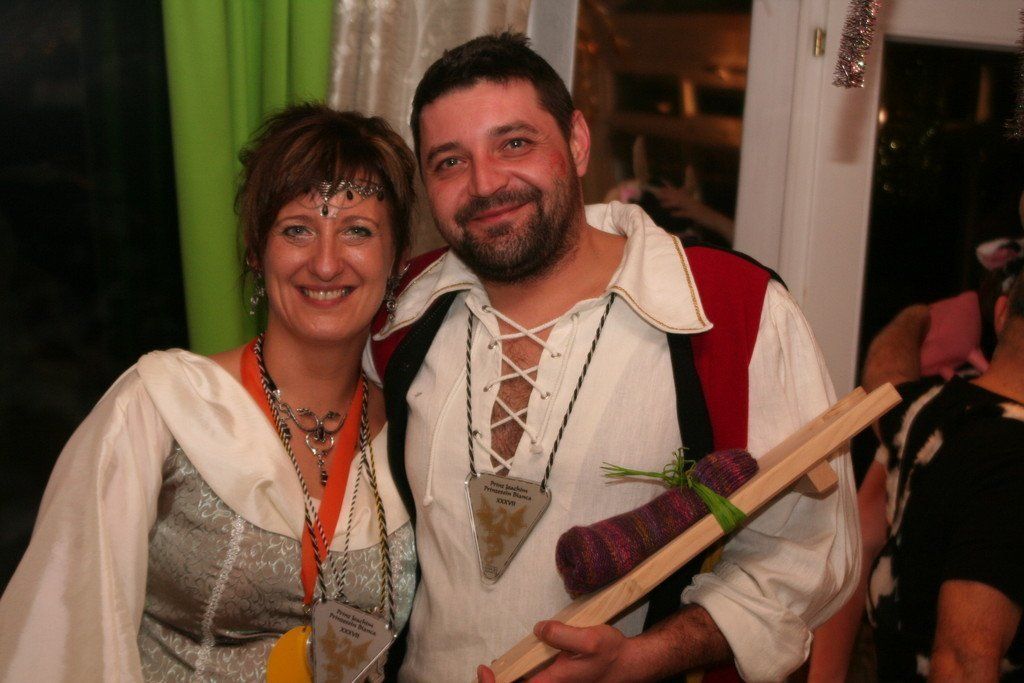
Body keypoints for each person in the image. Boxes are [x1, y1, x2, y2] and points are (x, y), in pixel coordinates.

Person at [368, 32, 859, 682]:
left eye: (514, 144)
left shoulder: (735, 311)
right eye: (450, 161)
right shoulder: (399, 314)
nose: (485, 184)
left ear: (576, 141)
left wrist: (636, 659)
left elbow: (805, 557)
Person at [0, 103, 418, 681]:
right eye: (297, 230)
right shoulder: (163, 406)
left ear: (395, 260)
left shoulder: (415, 433)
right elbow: (69, 627)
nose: (326, 263)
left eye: (357, 232)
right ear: (256, 251)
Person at [809, 273, 1024, 682]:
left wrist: (918, 317)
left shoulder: (926, 416)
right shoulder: (1013, 457)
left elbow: (885, 377)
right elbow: (964, 661)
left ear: (1001, 314)